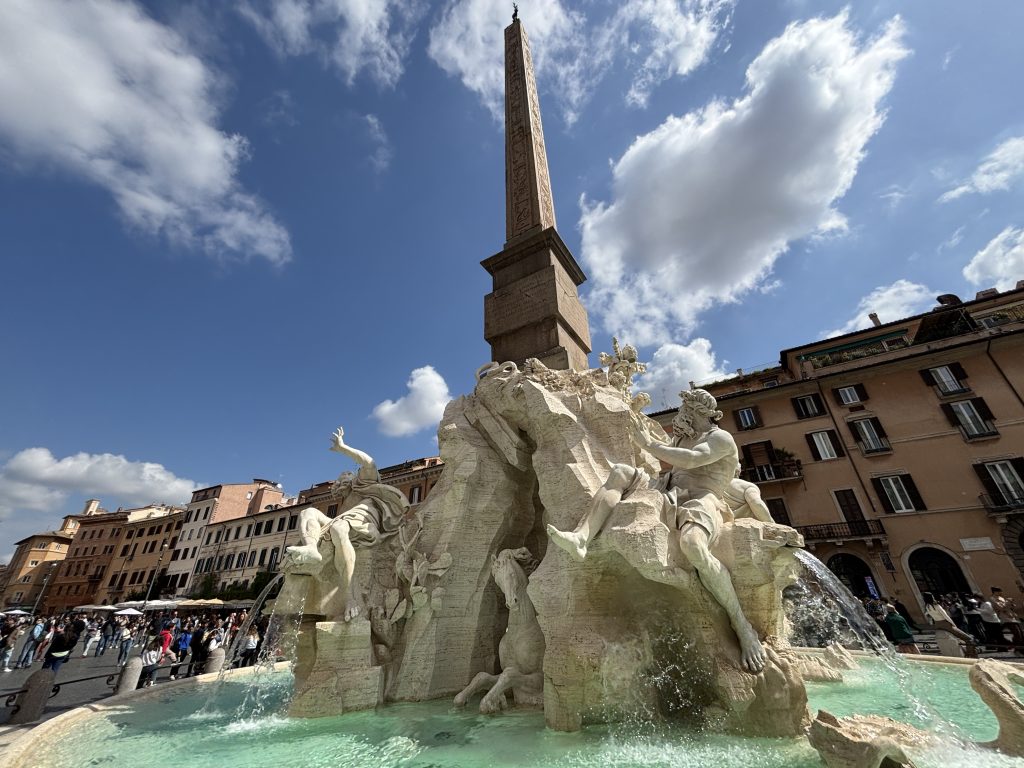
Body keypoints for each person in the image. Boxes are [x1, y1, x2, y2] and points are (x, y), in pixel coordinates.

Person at [547, 389, 773, 673]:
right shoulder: (683, 436)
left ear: (699, 411)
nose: (682, 414)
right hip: (666, 487)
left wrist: (649, 443)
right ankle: (581, 538)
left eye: (686, 409)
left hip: (703, 498)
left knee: (693, 545)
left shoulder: (720, 438)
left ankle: (741, 624)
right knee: (620, 472)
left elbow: (691, 459)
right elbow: (665, 451)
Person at [286, 426, 409, 621]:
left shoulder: (363, 485)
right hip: (343, 523)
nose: (342, 481)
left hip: (366, 525)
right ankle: (311, 549)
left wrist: (343, 448)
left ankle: (351, 598)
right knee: (308, 511)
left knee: (338, 527)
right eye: (339, 481)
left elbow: (369, 462)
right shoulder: (344, 508)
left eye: (346, 478)